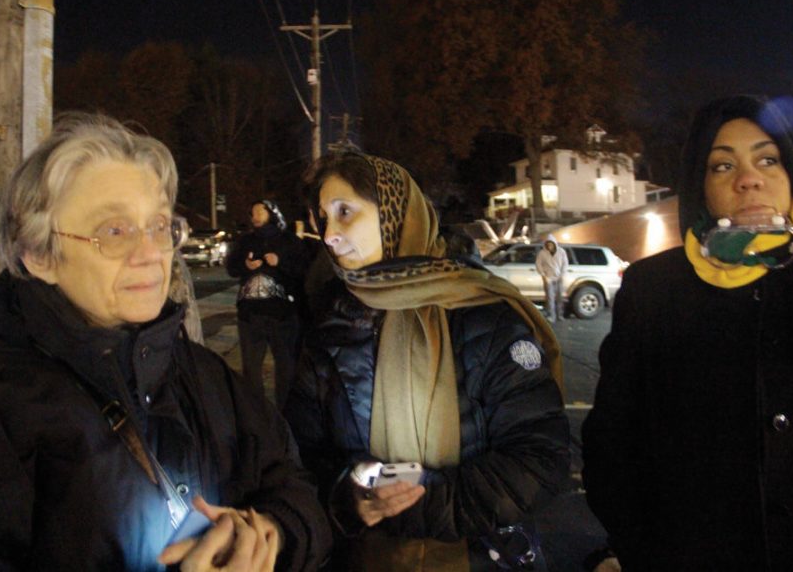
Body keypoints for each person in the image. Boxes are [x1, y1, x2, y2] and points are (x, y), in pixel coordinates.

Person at [0, 114, 331, 570]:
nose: (150, 253)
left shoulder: (205, 375)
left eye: (160, 227)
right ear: (37, 255)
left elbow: (293, 485)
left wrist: (271, 536)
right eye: (114, 231)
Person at [581, 95, 793, 570]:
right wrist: (644, 548)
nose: (749, 177)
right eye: (722, 166)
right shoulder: (653, 291)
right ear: (698, 187)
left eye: (768, 159)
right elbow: (614, 444)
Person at [285, 152, 570, 571]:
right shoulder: (329, 327)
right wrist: (350, 500)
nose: (330, 234)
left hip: (479, 558)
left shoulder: (481, 312)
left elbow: (538, 459)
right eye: (323, 218)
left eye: (345, 212)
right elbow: (298, 456)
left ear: (396, 213)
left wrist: (414, 502)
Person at [226, 200, 306, 409]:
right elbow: (231, 268)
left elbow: (302, 271)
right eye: (253, 213)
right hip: (250, 316)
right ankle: (257, 413)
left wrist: (280, 263)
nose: (255, 216)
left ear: (272, 212)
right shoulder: (245, 241)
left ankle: (286, 413)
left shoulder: (289, 241)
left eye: (260, 211)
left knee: (286, 368)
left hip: (282, 315)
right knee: (251, 370)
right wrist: (245, 264)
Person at [536, 235, 568, 322]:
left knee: (560, 298)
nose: (549, 246)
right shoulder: (542, 253)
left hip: (559, 278)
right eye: (547, 244)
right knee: (550, 298)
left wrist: (562, 275)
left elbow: (565, 264)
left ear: (554, 244)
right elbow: (538, 264)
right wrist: (543, 275)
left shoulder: (561, 252)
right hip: (548, 278)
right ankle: (551, 316)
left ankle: (560, 315)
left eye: (551, 244)